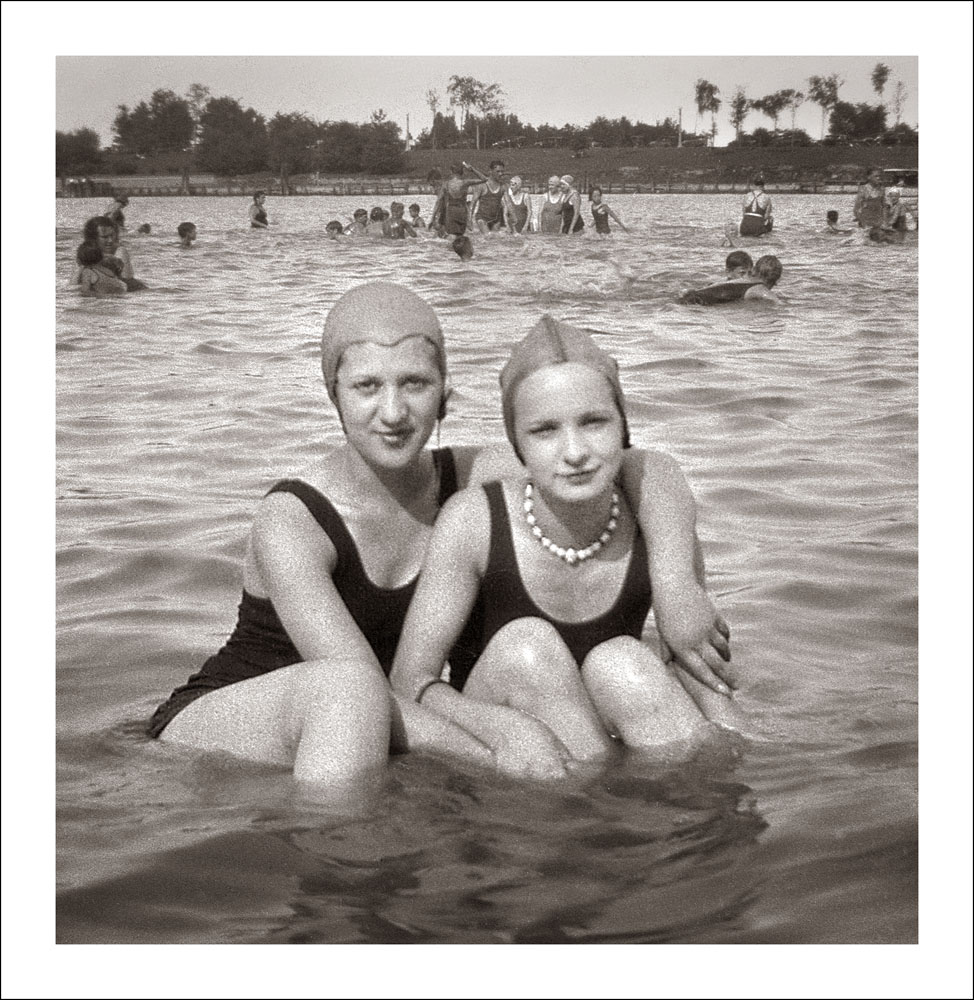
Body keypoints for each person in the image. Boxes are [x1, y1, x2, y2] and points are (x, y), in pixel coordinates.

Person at [147, 283, 734, 783]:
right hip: (243, 712)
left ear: (446, 395)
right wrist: (504, 739)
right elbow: (369, 691)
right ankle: (339, 899)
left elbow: (640, 468)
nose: (394, 412)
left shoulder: (474, 477)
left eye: (415, 384)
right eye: (367, 387)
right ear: (333, 395)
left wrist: (679, 587)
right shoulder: (294, 521)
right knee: (349, 692)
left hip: (375, 722)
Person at [391, 317, 737, 778]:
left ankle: (662, 814)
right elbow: (408, 683)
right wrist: (502, 728)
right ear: (518, 447)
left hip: (597, 733)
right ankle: (605, 808)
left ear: (623, 429)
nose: (574, 452)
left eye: (594, 422)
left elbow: (703, 673)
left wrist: (754, 764)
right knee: (527, 649)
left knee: (624, 663)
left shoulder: (657, 520)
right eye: (545, 431)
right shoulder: (473, 523)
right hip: (504, 730)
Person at [430, 164, 482, 237]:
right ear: (462, 172)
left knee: (450, 236)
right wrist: (472, 169)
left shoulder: (446, 184)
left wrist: (432, 218)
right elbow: (484, 179)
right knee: (460, 236)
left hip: (451, 211)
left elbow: (438, 201)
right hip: (462, 211)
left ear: (451, 172)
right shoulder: (465, 182)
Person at [470, 160, 508, 234]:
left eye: (502, 171)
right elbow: (473, 203)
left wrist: (512, 217)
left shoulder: (503, 186)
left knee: (495, 241)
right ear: (491, 171)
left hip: (496, 219)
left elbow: (509, 204)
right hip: (482, 218)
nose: (501, 174)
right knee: (488, 237)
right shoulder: (482, 185)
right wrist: (470, 219)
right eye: (498, 171)